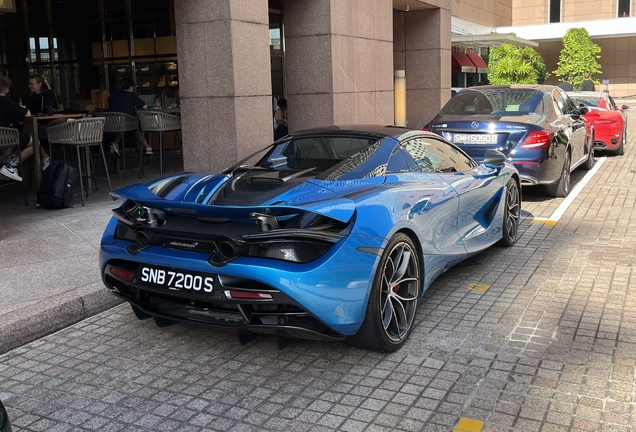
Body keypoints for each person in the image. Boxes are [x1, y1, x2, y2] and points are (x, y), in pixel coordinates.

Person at [107, 77, 153, 155]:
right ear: (130, 87)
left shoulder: (113, 95)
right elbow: (145, 107)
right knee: (135, 128)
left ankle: (115, 143)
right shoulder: (132, 95)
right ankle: (147, 147)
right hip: (126, 122)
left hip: (111, 123)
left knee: (122, 126)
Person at [0, 76, 33, 182]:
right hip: (6, 136)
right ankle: (10, 167)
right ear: (7, 90)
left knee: (6, 149)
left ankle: (8, 160)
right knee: (35, 143)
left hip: (3, 139)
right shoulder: (6, 102)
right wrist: (21, 109)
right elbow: (27, 114)